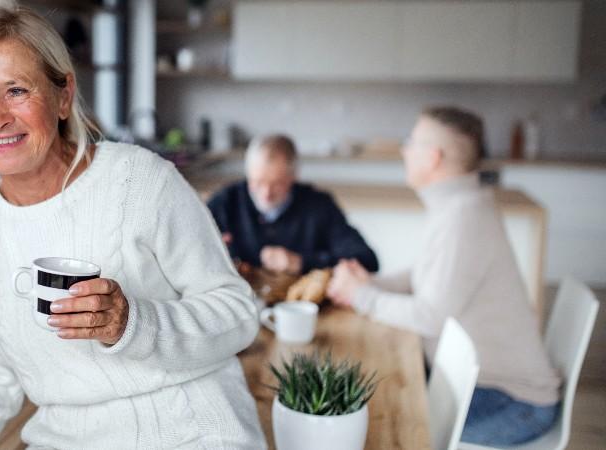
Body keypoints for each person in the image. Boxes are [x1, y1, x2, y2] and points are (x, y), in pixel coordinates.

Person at [0, 2, 265, 449]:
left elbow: (238, 315)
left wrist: (131, 323)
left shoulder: (139, 180)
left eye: (17, 90)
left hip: (192, 430)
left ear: (63, 96)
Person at [327, 106, 560, 446]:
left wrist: (362, 296)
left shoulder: (464, 216)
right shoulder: (459, 206)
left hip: (510, 400)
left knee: (386, 430)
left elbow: (430, 316)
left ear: (433, 157)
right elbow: (424, 275)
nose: (404, 150)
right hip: (482, 383)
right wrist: (368, 284)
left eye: (411, 142)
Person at [207, 134, 378, 275]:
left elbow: (367, 260)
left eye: (277, 184)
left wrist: (302, 262)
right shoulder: (225, 203)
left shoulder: (319, 205)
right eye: (257, 182)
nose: (266, 194)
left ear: (293, 177)